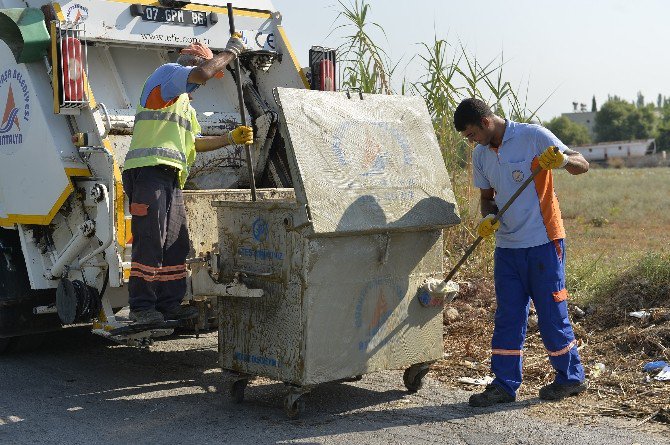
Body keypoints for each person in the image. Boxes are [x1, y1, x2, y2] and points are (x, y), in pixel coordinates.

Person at [453, 98, 590, 407]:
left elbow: (582, 163)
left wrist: (562, 162)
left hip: (543, 242)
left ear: (486, 123)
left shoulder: (533, 136)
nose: (471, 141)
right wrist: (488, 218)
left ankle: (571, 379)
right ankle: (503, 385)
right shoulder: (481, 155)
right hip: (508, 248)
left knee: (552, 313)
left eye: (471, 134)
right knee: (508, 316)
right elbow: (487, 197)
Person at [122, 37, 253, 324]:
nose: (202, 85)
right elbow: (203, 73)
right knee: (150, 241)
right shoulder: (166, 74)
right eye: (203, 75)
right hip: (148, 172)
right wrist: (230, 51)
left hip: (169, 177)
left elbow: (195, 142)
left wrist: (230, 138)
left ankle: (168, 305)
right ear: (192, 65)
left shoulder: (184, 106)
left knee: (175, 244)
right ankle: (141, 307)